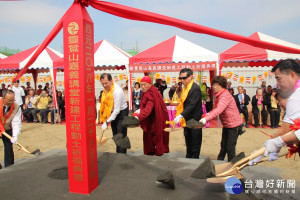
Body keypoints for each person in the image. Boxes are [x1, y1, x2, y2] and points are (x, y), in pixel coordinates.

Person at [250, 59, 300, 163]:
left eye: (279, 79)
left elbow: (284, 131)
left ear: (291, 75)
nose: (277, 83)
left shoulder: (296, 97)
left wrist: (262, 151)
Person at [200, 76, 243, 162]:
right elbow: (215, 108)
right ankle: (219, 162)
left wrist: (206, 119)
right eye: (213, 85)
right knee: (223, 145)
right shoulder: (220, 95)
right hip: (228, 124)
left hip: (234, 125)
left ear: (222, 85)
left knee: (230, 147)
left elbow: (219, 109)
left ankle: (232, 167)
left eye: (216, 85)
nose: (214, 87)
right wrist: (208, 114)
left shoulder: (224, 96)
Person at [134, 76, 169, 156]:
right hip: (151, 118)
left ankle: (156, 152)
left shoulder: (151, 93)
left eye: (144, 85)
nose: (142, 87)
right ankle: (152, 151)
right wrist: (139, 110)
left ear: (150, 84)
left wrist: (138, 117)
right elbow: (145, 106)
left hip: (155, 119)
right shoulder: (147, 92)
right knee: (151, 136)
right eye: (141, 85)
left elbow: (148, 109)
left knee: (154, 136)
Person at [173, 68, 202, 159]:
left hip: (194, 120)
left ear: (190, 76)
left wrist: (180, 115)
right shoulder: (185, 88)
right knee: (188, 143)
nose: (182, 80)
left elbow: (192, 105)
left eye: (184, 78)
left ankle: (194, 163)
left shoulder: (195, 88)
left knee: (195, 144)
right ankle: (188, 160)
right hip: (187, 120)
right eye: (180, 78)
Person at [100, 73, 128, 154]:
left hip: (121, 113)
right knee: (115, 135)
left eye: (106, 83)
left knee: (120, 135)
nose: (104, 85)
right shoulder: (106, 90)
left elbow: (117, 110)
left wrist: (107, 122)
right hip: (113, 113)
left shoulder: (117, 91)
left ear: (111, 81)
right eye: (102, 83)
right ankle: (119, 152)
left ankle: (121, 156)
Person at [0, 90, 22, 168]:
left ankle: (9, 167)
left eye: (13, 99)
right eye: (9, 100)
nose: (11, 102)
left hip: (7, 128)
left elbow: (16, 123)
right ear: (3, 98)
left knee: (8, 147)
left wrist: (15, 135)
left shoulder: (16, 107)